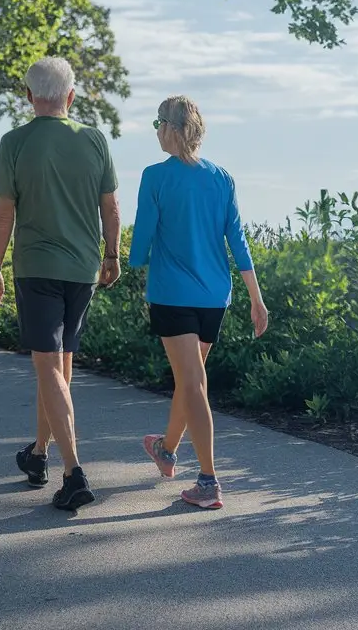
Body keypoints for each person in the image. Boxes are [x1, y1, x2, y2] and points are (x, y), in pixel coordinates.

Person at [0, 56, 121, 511]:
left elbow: (4, 213)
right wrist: (111, 254)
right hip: (82, 270)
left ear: (29, 97)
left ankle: (74, 472)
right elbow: (112, 208)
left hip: (37, 267)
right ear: (72, 95)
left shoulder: (15, 142)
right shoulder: (95, 140)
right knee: (59, 371)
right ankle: (39, 455)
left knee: (48, 369)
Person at [129, 95, 268, 509]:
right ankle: (167, 448)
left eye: (157, 123)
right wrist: (256, 299)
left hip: (172, 295)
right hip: (214, 297)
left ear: (170, 129)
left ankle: (208, 481)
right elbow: (237, 241)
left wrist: (128, 262)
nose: (155, 130)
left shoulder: (155, 176)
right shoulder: (221, 177)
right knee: (191, 380)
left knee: (192, 383)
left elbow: (142, 240)